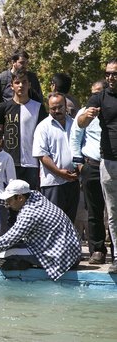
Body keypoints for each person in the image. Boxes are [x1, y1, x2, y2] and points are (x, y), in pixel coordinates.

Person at [0, 179, 81, 281]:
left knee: (5, 254)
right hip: (72, 252)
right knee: (8, 249)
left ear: (20, 198)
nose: (7, 204)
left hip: (62, 258)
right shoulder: (34, 195)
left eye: (9, 200)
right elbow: (4, 200)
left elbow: (6, 239)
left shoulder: (30, 214)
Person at [78, 57, 117, 273]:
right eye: (108, 73)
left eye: (114, 73)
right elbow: (80, 123)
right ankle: (116, 257)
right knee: (112, 212)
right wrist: (87, 115)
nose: (110, 77)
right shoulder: (99, 97)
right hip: (109, 162)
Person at [0, 69, 48, 225]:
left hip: (31, 162)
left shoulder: (38, 107)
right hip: (9, 162)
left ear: (29, 85)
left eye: (24, 82)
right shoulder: (2, 108)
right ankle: (11, 238)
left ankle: (29, 238)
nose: (21, 86)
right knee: (10, 202)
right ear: (12, 85)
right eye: (17, 82)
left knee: (30, 202)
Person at [70, 80, 108, 264]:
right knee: (94, 211)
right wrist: (79, 164)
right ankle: (98, 250)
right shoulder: (83, 113)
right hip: (91, 165)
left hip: (111, 164)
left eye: (99, 92)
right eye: (93, 93)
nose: (96, 96)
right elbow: (75, 138)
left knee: (113, 211)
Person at [32, 92, 79, 223]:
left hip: (73, 181)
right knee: (54, 223)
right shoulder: (43, 127)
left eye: (60, 107)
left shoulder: (75, 124)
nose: (57, 111)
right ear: (48, 108)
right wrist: (60, 173)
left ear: (66, 106)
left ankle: (67, 244)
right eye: (53, 108)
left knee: (70, 222)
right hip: (53, 184)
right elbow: (42, 155)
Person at [0, 49, 43, 115]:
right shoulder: (2, 78)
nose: (24, 65)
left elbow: (39, 99)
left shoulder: (32, 77)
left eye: (26, 63)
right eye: (22, 63)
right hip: (8, 117)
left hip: (29, 115)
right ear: (13, 62)